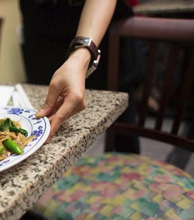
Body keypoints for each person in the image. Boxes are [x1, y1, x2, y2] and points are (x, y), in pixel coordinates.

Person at [27, 0, 143, 153]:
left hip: (102, 34)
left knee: (122, 129)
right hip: (42, 32)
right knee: (47, 135)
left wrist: (81, 55)